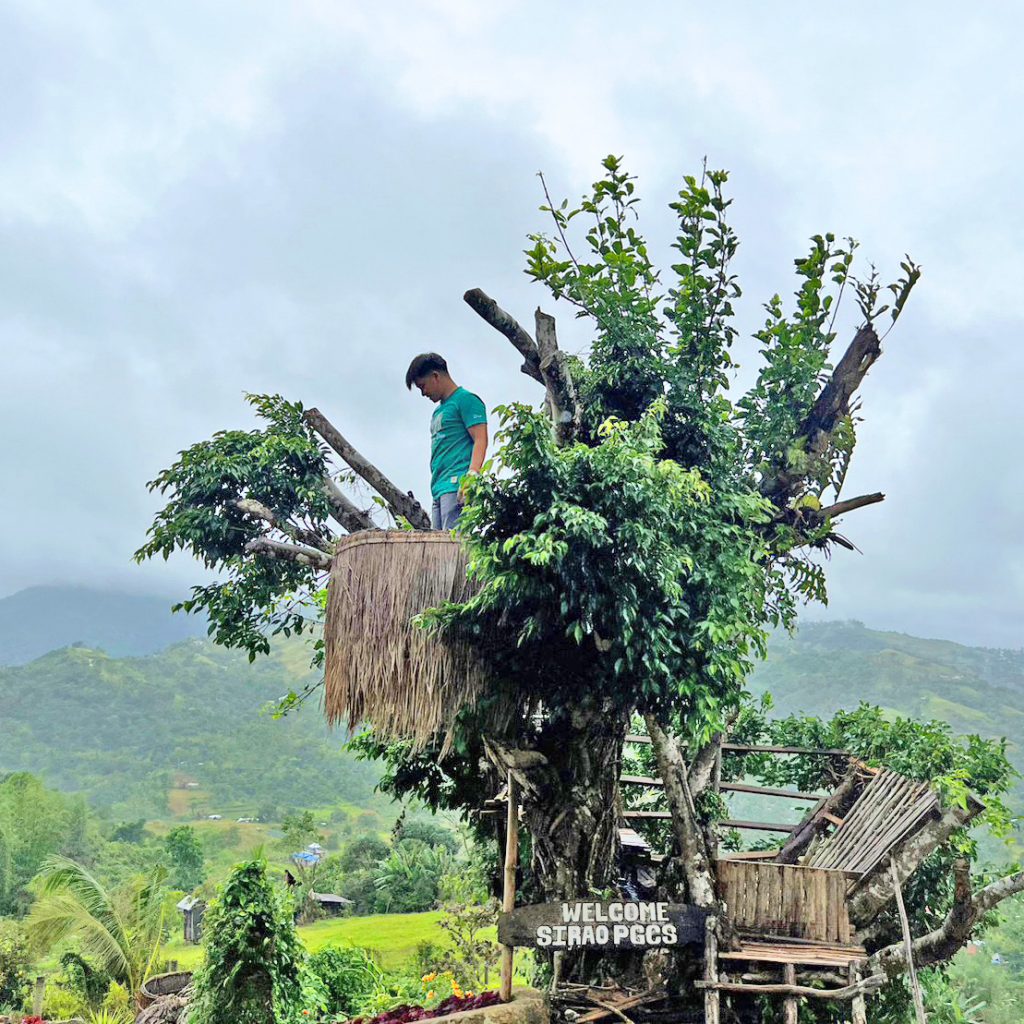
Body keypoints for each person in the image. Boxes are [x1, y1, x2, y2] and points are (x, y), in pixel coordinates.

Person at [406, 352, 488, 530]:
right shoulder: (438, 411)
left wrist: (472, 476)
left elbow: (480, 438)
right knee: (439, 548)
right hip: (438, 487)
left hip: (456, 484)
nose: (423, 393)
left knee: (454, 546)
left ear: (435, 376)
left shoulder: (466, 400)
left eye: (423, 386)